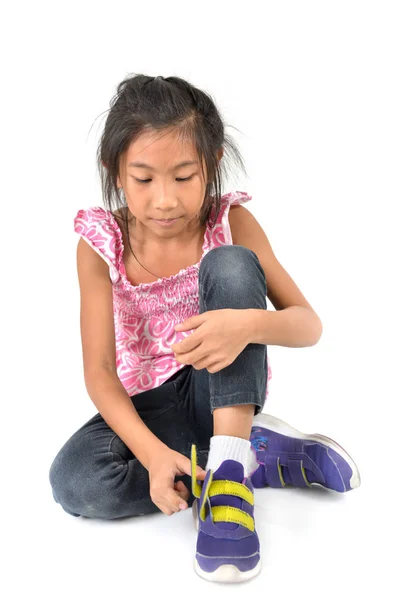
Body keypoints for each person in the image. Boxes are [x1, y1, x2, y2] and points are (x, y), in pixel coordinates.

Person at [48, 73, 361, 584]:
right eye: (144, 179)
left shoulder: (229, 221)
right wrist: (149, 456)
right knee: (75, 481)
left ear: (212, 165)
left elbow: (309, 326)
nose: (165, 200)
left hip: (218, 390)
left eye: (184, 176)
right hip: (146, 409)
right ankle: (244, 458)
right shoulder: (99, 242)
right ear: (116, 172)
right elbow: (100, 371)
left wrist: (246, 324)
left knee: (233, 264)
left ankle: (231, 477)